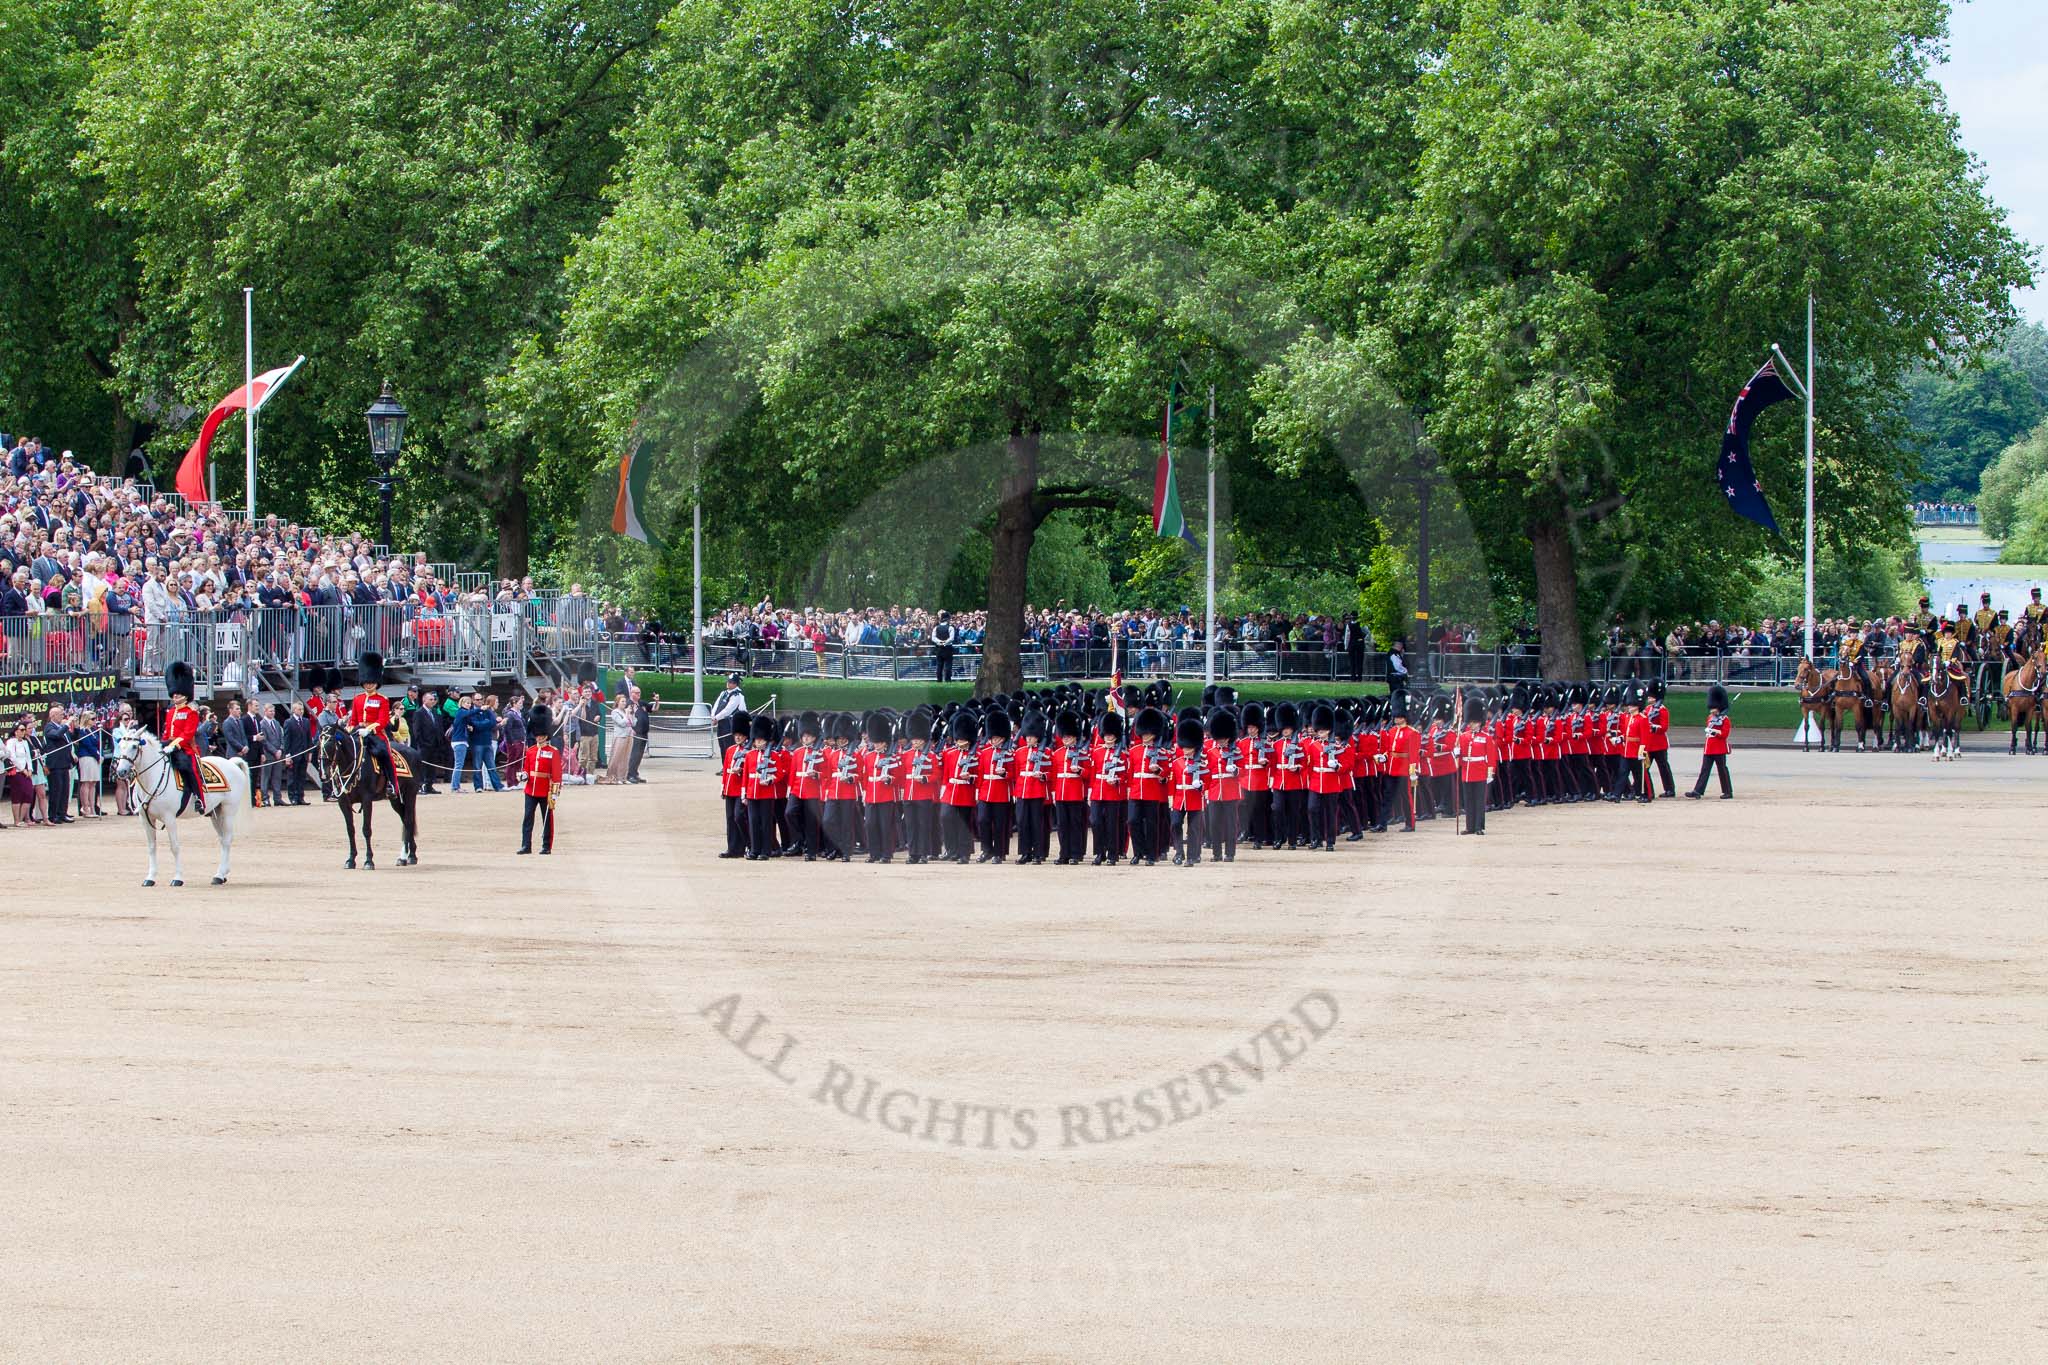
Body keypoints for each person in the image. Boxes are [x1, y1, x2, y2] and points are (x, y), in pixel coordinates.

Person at [517, 709, 563, 854]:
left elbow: (556, 774)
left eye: (541, 735)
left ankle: (546, 846)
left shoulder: (553, 751)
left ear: (546, 736)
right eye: (537, 735)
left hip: (546, 790)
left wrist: (555, 792)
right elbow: (527, 768)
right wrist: (524, 775)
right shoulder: (530, 751)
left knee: (547, 820)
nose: (539, 738)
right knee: (528, 818)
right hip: (531, 790)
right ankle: (526, 845)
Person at [163, 661, 206, 813]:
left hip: (186, 749)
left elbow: (188, 734)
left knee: (190, 769)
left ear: (185, 695)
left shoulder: (191, 712)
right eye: (173, 693)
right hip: (169, 746)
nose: (175, 696)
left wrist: (174, 745)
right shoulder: (170, 712)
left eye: (178, 693)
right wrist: (164, 744)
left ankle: (199, 798)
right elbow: (167, 732)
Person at [1686, 684, 1734, 800]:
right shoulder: (1710, 718)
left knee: (1722, 770)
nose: (1712, 710)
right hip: (1709, 748)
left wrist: (1715, 732)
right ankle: (1698, 790)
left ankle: (1727, 791)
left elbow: (1724, 734)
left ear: (1720, 707)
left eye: (1714, 708)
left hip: (1719, 748)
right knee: (1704, 770)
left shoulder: (1725, 719)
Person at [1457, 697, 1495, 834]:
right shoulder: (1463, 736)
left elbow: (1491, 756)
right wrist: (1456, 753)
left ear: (1480, 722)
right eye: (1471, 722)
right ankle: (1470, 826)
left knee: (1479, 801)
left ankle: (1479, 827)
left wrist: (1490, 773)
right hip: (1467, 771)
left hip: (1480, 771)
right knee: (1468, 801)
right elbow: (1460, 756)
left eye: (1474, 722)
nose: (1472, 725)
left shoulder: (1486, 737)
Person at [40, 704, 77, 824]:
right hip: (55, 764)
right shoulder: (49, 727)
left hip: (65, 763)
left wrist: (74, 726)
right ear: (53, 715)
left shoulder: (62, 727)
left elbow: (71, 738)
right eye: (61, 714)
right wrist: (66, 724)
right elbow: (56, 735)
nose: (63, 716)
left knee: (65, 790)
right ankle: (53, 815)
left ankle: (62, 813)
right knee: (56, 790)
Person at [931, 611, 958, 683]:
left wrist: (940, 642)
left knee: (939, 665)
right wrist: (945, 642)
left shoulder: (936, 628)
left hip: (939, 648)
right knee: (948, 665)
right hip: (948, 648)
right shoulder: (951, 628)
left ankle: (939, 680)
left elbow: (933, 638)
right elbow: (951, 638)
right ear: (948, 619)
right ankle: (948, 680)